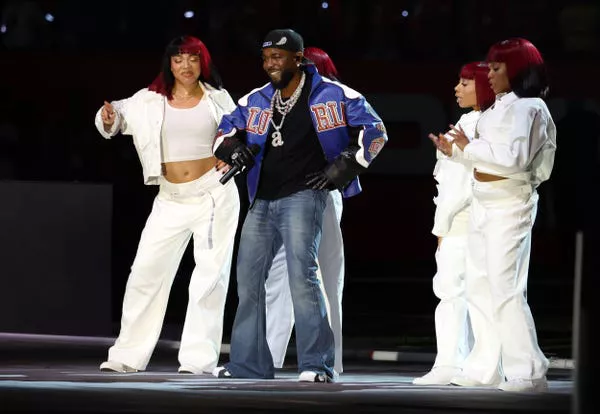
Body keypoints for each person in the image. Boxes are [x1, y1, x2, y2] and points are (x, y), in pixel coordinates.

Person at [211, 29, 387, 382]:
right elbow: (221, 132)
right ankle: (249, 364)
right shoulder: (256, 99)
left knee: (302, 279)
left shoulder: (333, 93)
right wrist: (234, 150)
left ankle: (316, 365)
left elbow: (376, 130)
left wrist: (343, 168)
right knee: (248, 281)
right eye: (265, 58)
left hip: (304, 196)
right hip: (261, 199)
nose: (270, 64)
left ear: (298, 57)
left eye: (278, 56)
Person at [93, 35, 240, 374]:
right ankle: (126, 356)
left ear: (203, 62)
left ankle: (198, 361)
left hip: (213, 193)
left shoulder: (217, 99)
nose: (185, 66)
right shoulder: (149, 99)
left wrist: (230, 155)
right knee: (145, 272)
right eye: (178, 59)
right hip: (169, 198)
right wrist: (107, 117)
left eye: (192, 58)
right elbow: (115, 120)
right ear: (169, 64)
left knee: (209, 277)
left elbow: (242, 133)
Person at [434, 38, 557, 392]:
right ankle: (485, 367)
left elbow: (514, 159)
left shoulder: (530, 107)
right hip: (483, 201)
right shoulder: (496, 109)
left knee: (505, 289)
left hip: (510, 202)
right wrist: (456, 153)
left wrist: (469, 147)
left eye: (496, 67)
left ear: (516, 69)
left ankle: (530, 372)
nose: (489, 74)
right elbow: (482, 158)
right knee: (479, 287)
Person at [264, 46, 346, 374]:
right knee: (278, 277)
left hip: (321, 196)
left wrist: (333, 173)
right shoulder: (279, 100)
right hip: (285, 195)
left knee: (323, 277)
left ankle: (330, 360)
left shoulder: (335, 101)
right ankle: (266, 356)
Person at [413, 61, 495, 386]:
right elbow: (448, 181)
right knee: (451, 291)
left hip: (473, 218)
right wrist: (442, 226)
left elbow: (468, 179)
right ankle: (450, 362)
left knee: (475, 292)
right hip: (455, 219)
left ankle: (478, 366)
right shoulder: (465, 121)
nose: (457, 89)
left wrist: (444, 225)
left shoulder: (489, 122)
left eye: (465, 83)